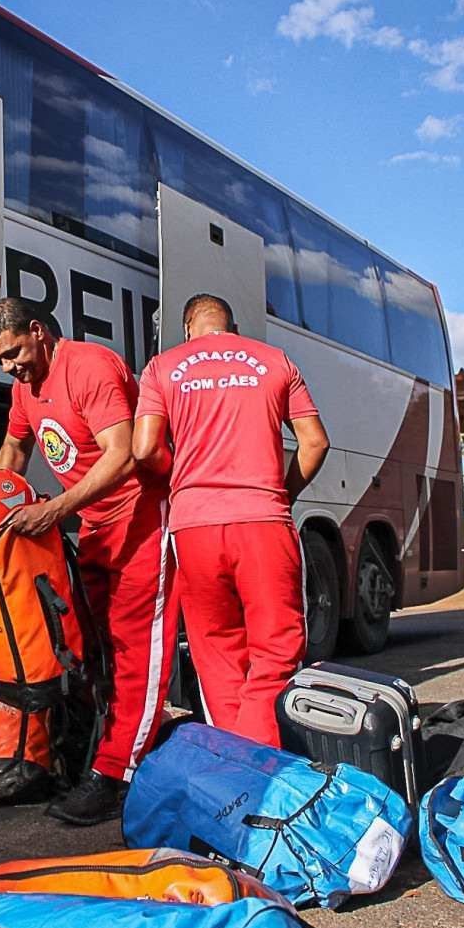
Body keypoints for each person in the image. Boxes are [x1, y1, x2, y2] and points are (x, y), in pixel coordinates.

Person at [0, 297, 175, 826]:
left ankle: (115, 775)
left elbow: (123, 453)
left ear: (38, 332)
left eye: (14, 352)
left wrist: (56, 508)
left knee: (137, 651)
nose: (9, 367)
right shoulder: (27, 387)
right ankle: (101, 747)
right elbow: (13, 450)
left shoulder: (89, 366)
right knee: (87, 646)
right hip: (95, 527)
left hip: (140, 520)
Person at [133, 294, 329, 747]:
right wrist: (284, 490)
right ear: (234, 327)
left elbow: (144, 449)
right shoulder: (275, 361)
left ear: (188, 329)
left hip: (194, 526)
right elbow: (315, 443)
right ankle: (262, 755)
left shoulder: (163, 367)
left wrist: (181, 477)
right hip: (263, 518)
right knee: (276, 650)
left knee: (215, 651)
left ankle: (235, 764)